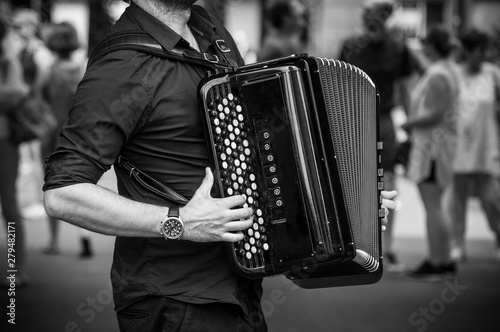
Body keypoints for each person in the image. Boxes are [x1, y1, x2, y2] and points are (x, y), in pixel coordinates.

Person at [42, 1, 397, 330]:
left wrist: (344, 207)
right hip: (173, 299)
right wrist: (178, 222)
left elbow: (261, 150)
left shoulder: (212, 34)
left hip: (240, 290)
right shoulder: (121, 66)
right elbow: (64, 193)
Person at [338, 0, 415, 271]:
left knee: (388, 182)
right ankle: (357, 245)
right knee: (355, 182)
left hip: (384, 121)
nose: (376, 19)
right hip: (355, 121)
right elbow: (340, 85)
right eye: (372, 14)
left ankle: (388, 246)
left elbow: (405, 88)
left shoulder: (398, 48)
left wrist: (411, 126)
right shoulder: (350, 46)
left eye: (382, 14)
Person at [402, 26, 460, 280]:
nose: (422, 49)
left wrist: (408, 124)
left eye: (426, 44)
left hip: (433, 148)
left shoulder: (438, 74)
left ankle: (437, 262)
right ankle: (443, 260)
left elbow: (435, 113)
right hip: (441, 146)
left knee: (432, 204)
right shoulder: (449, 70)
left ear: (433, 47)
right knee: (437, 204)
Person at [39, 22, 93, 257]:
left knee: (52, 185)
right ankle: (85, 234)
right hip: (79, 135)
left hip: (52, 135)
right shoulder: (83, 70)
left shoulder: (49, 71)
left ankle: (53, 240)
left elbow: (39, 101)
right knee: (81, 185)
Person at [449, 29, 500, 262]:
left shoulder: (493, 75)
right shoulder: (455, 75)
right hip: (458, 147)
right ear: (469, 52)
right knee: (456, 200)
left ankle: (498, 235)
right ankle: (458, 244)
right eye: (481, 50)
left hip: (487, 146)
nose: (485, 55)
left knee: (491, 198)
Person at [0, 17, 31, 287]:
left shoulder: (8, 60)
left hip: (5, 141)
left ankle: (16, 268)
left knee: (9, 207)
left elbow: (17, 93)